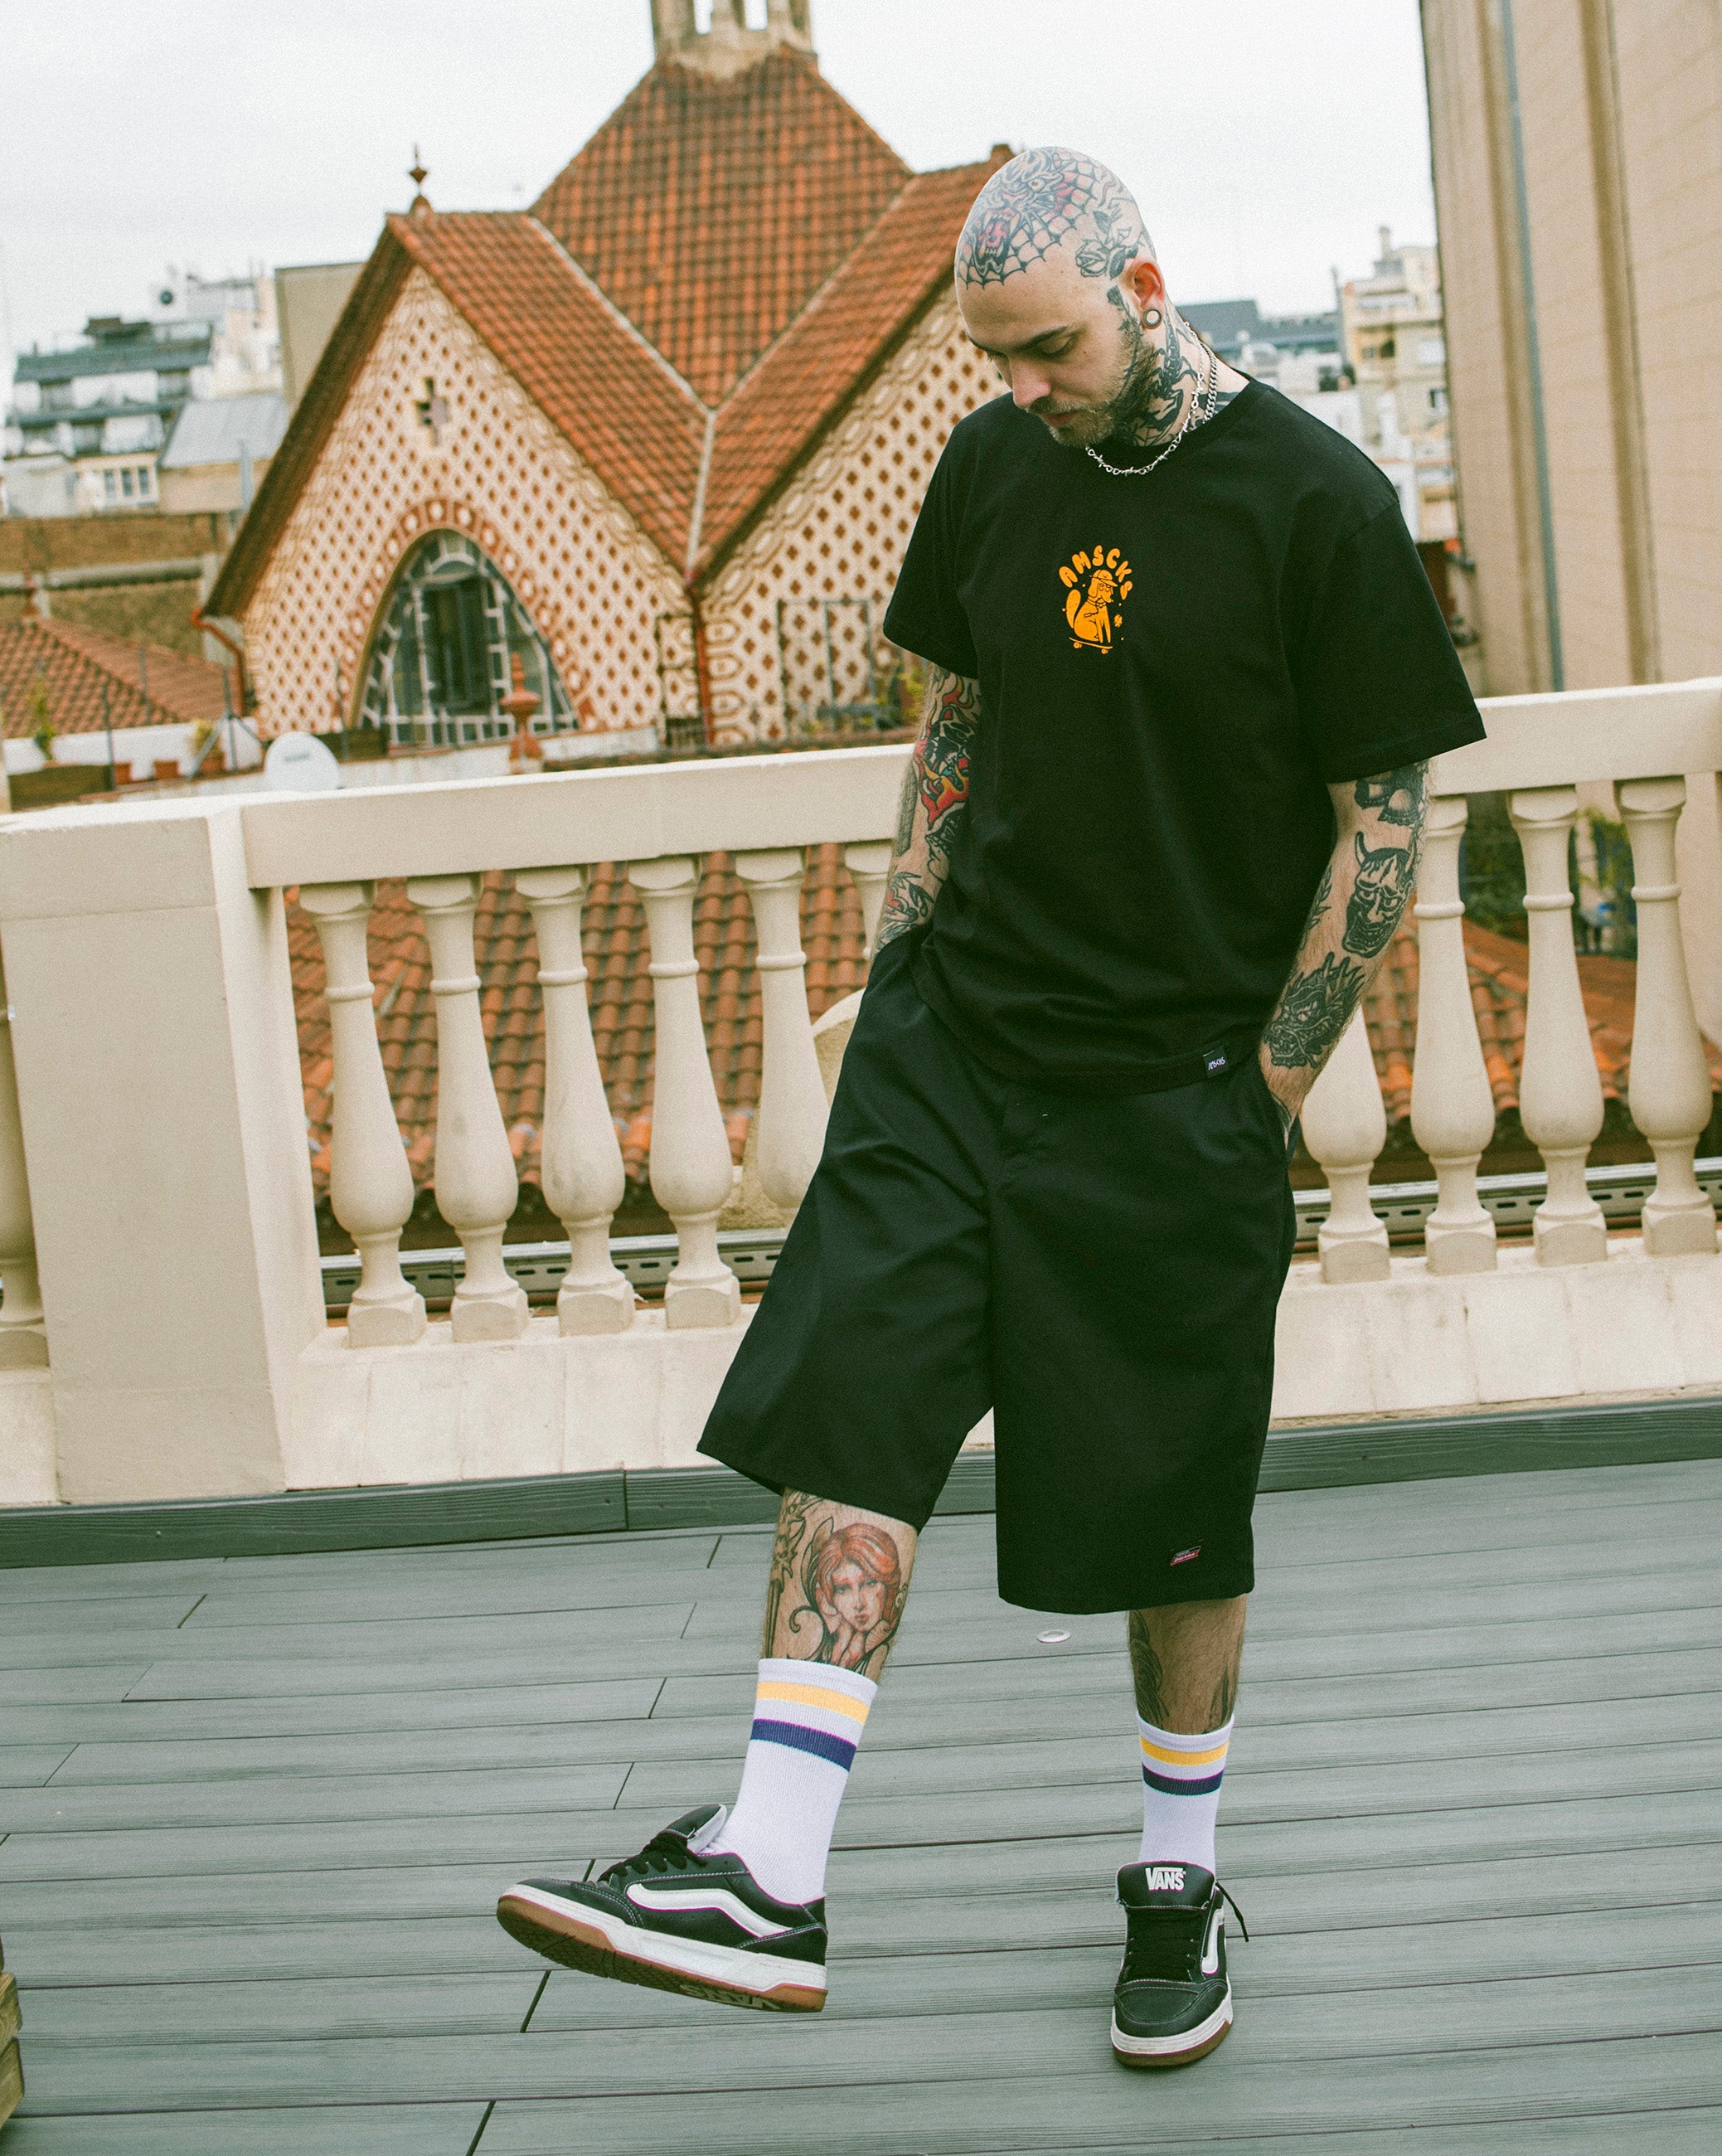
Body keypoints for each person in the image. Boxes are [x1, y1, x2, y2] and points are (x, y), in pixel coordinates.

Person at [498, 146, 1483, 2071]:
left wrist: (1262, 1092)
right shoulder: (988, 467)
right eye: (994, 359)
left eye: (1047, 351)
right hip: (955, 1047)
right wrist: (901, 963)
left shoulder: (1318, 503)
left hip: (1174, 1088)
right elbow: (948, 729)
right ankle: (771, 1863)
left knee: (1166, 1509)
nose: (1020, 387)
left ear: (1141, 287)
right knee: (854, 1399)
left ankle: (1177, 1871)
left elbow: (1380, 831)